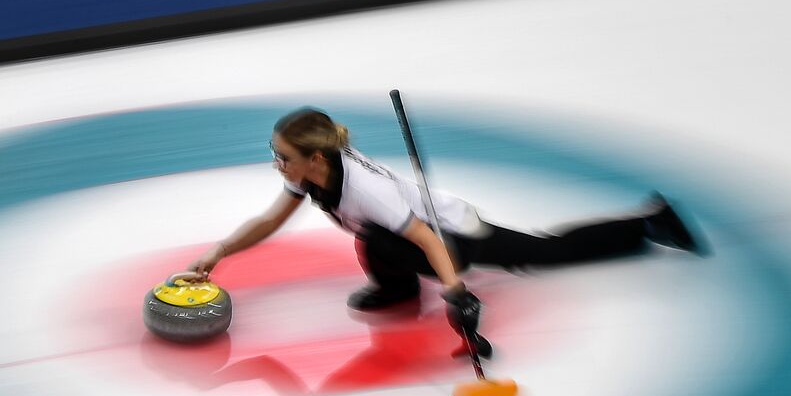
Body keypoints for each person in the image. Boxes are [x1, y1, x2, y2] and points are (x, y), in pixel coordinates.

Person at [188, 107, 705, 352]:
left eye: (282, 157)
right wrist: (219, 253)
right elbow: (269, 220)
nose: (276, 163)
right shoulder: (314, 177)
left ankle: (651, 223)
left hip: (453, 234)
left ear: (314, 158)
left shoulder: (366, 193)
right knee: (374, 238)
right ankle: (397, 288)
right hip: (421, 234)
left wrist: (457, 294)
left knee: (536, 254)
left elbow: (427, 240)